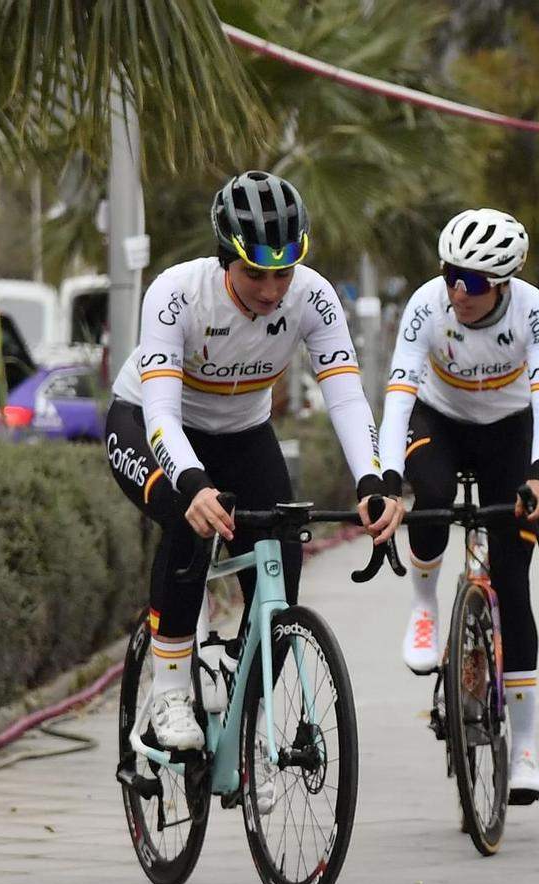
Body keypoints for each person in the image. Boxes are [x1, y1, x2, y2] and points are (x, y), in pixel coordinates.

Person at [105, 170, 400, 752]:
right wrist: (192, 486)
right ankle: (167, 694)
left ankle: (241, 708)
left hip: (242, 433)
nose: (271, 290)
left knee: (280, 576)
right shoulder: (176, 292)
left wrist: (374, 479)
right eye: (255, 273)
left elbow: (345, 395)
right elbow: (162, 413)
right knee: (188, 525)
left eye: (283, 272)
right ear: (225, 260)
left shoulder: (313, 296)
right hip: (149, 425)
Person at [378, 208, 539, 804]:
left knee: (512, 580)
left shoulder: (533, 310)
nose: (460, 291)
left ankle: (527, 750)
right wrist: (382, 479)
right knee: (428, 498)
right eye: (453, 274)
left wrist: (538, 476)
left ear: (504, 284)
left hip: (509, 429)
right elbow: (399, 397)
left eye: (476, 283)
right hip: (442, 420)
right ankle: (426, 605)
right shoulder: (428, 307)